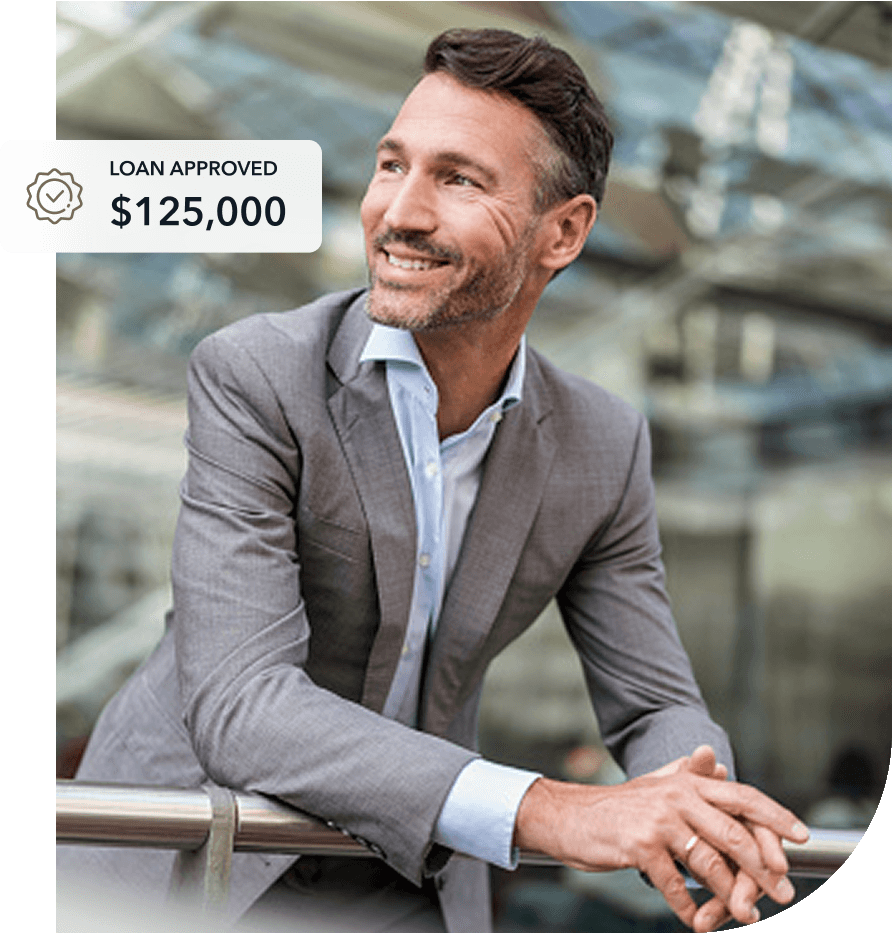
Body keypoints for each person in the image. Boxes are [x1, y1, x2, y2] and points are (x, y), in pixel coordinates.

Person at [57, 28, 809, 933]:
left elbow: (653, 701)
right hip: (201, 854)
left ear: (562, 231)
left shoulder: (603, 443)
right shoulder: (257, 373)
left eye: (457, 179)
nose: (397, 212)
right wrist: (557, 810)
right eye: (390, 163)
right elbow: (242, 705)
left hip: (411, 874)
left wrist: (695, 809)